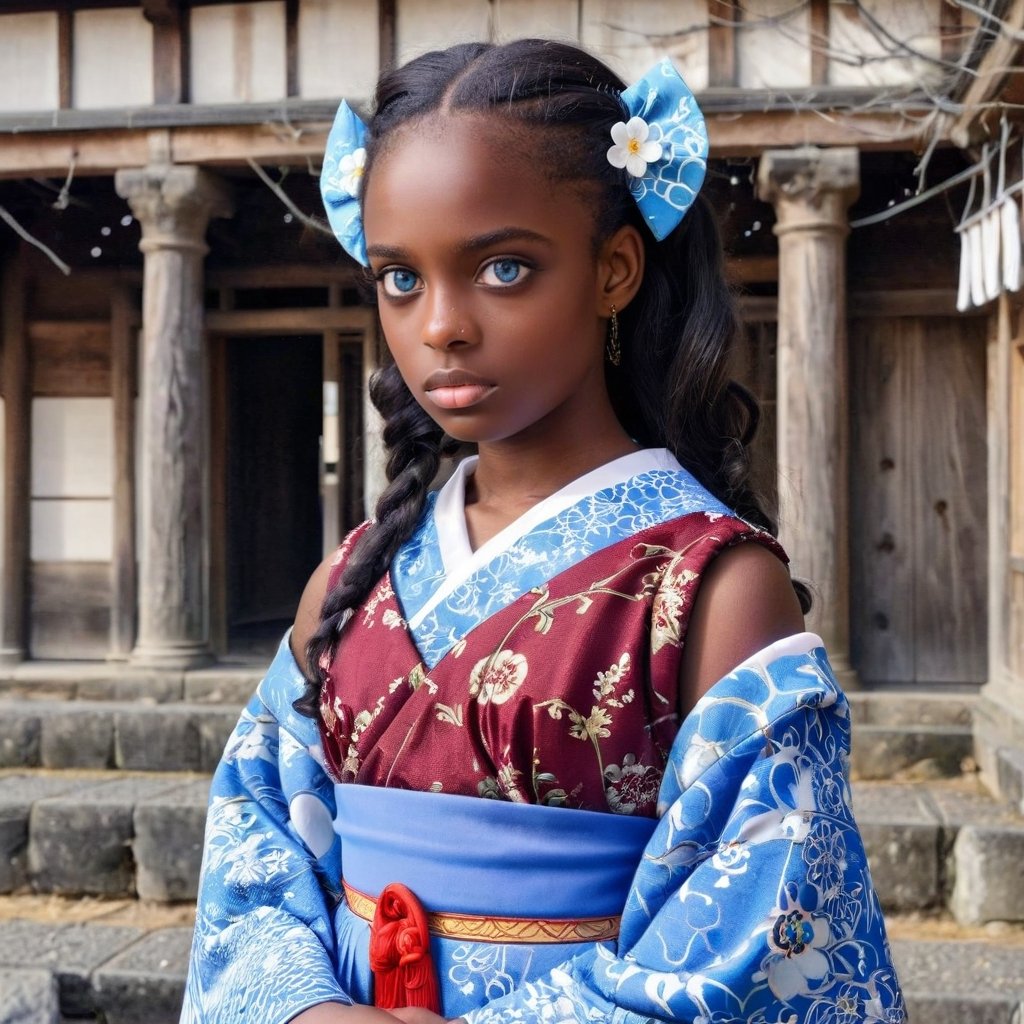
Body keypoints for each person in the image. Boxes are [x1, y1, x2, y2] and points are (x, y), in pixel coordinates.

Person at [181, 38, 904, 1024]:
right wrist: (305, 1008)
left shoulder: (711, 588)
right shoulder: (351, 579)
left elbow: (755, 945)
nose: (441, 325)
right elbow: (255, 850)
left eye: (504, 267)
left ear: (613, 268)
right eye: (400, 279)